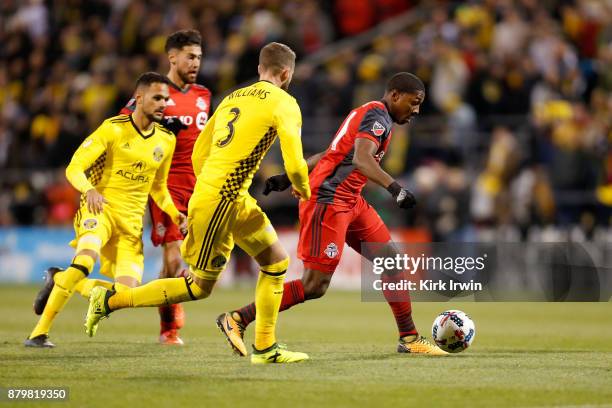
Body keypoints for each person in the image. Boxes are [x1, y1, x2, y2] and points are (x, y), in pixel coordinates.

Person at [85, 42, 312, 364]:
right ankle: (109, 301)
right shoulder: (285, 103)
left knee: (276, 263)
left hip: (229, 197)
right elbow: (294, 164)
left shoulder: (232, 97)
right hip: (223, 199)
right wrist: (303, 189)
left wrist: (207, 189)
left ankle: (265, 348)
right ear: (287, 73)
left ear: (260, 68)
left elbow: (198, 153)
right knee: (198, 287)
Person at [218, 72, 448, 356]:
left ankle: (410, 338)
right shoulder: (377, 116)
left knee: (392, 261)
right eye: (413, 103)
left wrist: (293, 175)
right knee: (314, 285)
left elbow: (332, 153)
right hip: (329, 201)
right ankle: (238, 318)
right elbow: (362, 159)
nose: (416, 111)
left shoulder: (371, 114)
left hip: (351, 200)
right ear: (395, 95)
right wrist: (396, 188)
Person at [25, 72, 186, 348]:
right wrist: (89, 190)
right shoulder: (112, 129)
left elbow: (158, 187)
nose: (163, 104)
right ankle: (39, 333)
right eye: (157, 97)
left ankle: (61, 279)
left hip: (131, 225)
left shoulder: (166, 140)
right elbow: (74, 167)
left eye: (166, 99)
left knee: (126, 293)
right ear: (139, 98)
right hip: (99, 211)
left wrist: (175, 213)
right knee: (85, 262)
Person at [120, 29, 212, 345]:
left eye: (199, 56)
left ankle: (165, 307)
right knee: (174, 260)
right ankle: (169, 330)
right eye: (190, 56)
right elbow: (125, 126)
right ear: (172, 57)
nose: (196, 62)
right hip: (166, 187)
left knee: (186, 263)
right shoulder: (157, 92)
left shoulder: (204, 95)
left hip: (199, 187)